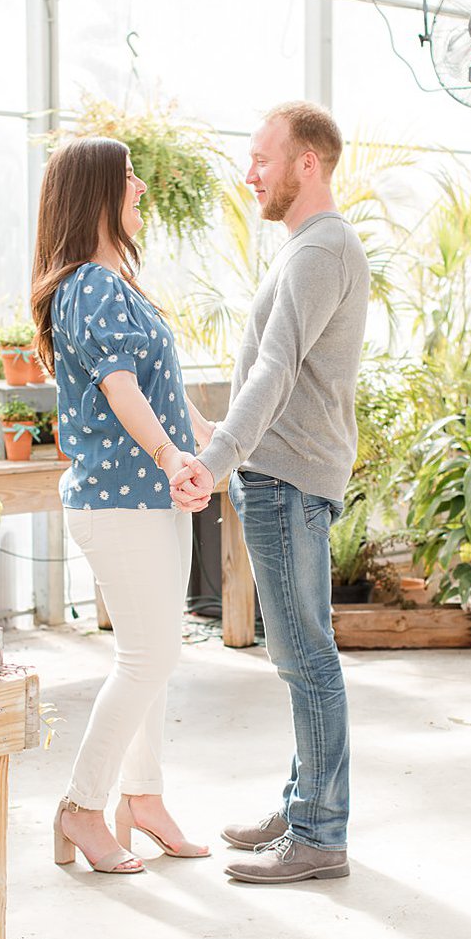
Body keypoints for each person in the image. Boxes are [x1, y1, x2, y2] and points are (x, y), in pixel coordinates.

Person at [170, 101, 369, 884]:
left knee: (305, 657)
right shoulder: (309, 249)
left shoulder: (321, 251)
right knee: (300, 655)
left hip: (286, 480)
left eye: (261, 158)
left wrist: (218, 458)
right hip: (282, 476)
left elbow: (274, 370)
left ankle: (321, 832)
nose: (249, 173)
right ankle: (305, 799)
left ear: (306, 164)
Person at [33, 136, 219, 874]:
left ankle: (142, 800)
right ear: (97, 194)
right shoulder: (92, 286)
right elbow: (123, 390)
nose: (141, 187)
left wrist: (211, 440)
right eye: (128, 178)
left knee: (153, 656)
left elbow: (165, 397)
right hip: (123, 501)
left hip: (149, 498)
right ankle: (81, 806)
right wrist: (172, 456)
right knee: (150, 655)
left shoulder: (115, 284)